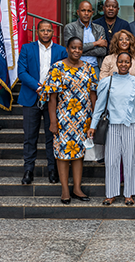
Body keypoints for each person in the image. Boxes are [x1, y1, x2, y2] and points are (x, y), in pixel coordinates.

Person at [41, 37, 98, 204]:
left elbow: (93, 94)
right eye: (73, 48)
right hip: (64, 117)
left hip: (83, 118)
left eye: (80, 48)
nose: (77, 51)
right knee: (62, 153)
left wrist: (94, 119)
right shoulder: (57, 67)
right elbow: (52, 97)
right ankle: (65, 189)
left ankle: (77, 188)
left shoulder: (88, 68)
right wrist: (52, 121)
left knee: (79, 153)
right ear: (67, 49)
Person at [92, 52, 135, 206]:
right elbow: (99, 106)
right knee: (111, 160)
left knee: (131, 159)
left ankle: (128, 193)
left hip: (132, 125)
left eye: (127, 62)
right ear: (116, 63)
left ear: (131, 64)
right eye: (121, 62)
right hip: (112, 125)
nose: (123, 64)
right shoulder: (107, 82)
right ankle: (111, 193)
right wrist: (92, 125)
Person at [18, 20, 68, 185]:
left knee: (51, 136)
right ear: (37, 32)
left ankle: (52, 170)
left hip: (53, 100)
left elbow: (64, 73)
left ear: (53, 32)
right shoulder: (27, 48)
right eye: (43, 30)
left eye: (48, 30)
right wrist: (38, 87)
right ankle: (28, 171)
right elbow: (22, 72)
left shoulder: (61, 51)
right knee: (30, 136)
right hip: (31, 97)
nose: (46, 33)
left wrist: (51, 88)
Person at [63, 0, 108, 70]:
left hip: (95, 67)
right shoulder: (70, 28)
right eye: (83, 10)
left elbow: (103, 51)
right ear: (78, 12)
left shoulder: (99, 29)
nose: (86, 13)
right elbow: (71, 49)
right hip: (75, 67)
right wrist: (96, 43)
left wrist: (80, 51)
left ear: (92, 13)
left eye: (89, 11)